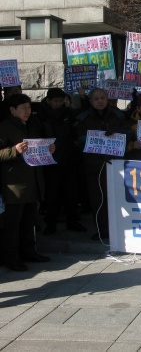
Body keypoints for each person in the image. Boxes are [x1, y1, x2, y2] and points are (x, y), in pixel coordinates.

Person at [0, 94, 53, 271]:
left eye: (29, 107)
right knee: (13, 225)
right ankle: (11, 258)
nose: (27, 111)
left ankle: (29, 252)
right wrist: (13, 150)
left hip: (33, 181)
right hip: (14, 184)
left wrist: (48, 148)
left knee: (29, 221)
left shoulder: (32, 125)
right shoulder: (5, 127)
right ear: (12, 110)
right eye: (23, 108)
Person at [77, 88, 133, 240]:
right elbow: (79, 139)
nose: (100, 101)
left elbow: (129, 133)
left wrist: (116, 133)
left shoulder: (117, 114)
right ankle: (103, 230)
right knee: (97, 199)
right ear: (91, 101)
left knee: (116, 197)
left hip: (115, 163)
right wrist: (99, 137)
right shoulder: (84, 118)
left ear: (107, 99)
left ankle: (119, 228)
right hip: (94, 164)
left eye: (102, 98)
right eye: (96, 99)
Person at [37, 88, 87, 235]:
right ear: (48, 101)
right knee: (52, 195)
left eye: (61, 101)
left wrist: (82, 97)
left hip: (69, 158)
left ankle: (72, 222)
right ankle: (50, 224)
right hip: (50, 161)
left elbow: (81, 115)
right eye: (55, 101)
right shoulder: (41, 116)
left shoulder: (68, 113)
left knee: (71, 194)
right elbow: (37, 135)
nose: (58, 104)